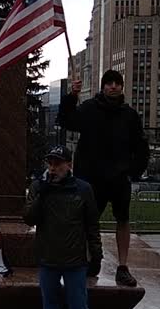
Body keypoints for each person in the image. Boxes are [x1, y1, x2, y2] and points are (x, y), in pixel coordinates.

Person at [58, 70, 149, 287]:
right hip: (91, 178)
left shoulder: (130, 115)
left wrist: (132, 172)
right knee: (87, 222)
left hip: (119, 178)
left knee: (123, 220)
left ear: (122, 86)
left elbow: (141, 146)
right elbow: (66, 120)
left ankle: (123, 266)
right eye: (109, 83)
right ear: (103, 86)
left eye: (117, 83)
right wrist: (72, 96)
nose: (113, 87)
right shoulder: (89, 109)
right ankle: (91, 259)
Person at [24, 145, 102, 309]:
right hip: (47, 257)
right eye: (50, 163)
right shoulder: (38, 187)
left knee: (79, 307)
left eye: (57, 164)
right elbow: (29, 218)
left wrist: (96, 253)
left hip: (75, 260)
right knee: (50, 307)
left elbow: (92, 225)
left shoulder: (83, 189)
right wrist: (43, 194)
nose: (52, 168)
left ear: (69, 165)